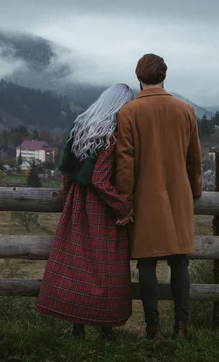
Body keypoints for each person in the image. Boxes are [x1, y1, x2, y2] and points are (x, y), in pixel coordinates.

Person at [35, 83, 136, 340]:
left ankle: (77, 327)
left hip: (77, 201)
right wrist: (122, 206)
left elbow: (67, 172)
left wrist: (69, 202)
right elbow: (100, 179)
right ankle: (106, 329)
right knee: (106, 266)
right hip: (101, 207)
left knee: (77, 264)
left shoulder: (80, 126)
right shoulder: (110, 134)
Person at [116, 54, 203, 340]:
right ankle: (181, 327)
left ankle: (153, 329)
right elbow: (194, 159)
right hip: (179, 194)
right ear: (165, 76)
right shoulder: (186, 110)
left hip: (145, 196)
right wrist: (196, 190)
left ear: (138, 77)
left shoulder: (128, 113)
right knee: (180, 262)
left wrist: (124, 200)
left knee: (146, 263)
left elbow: (125, 162)